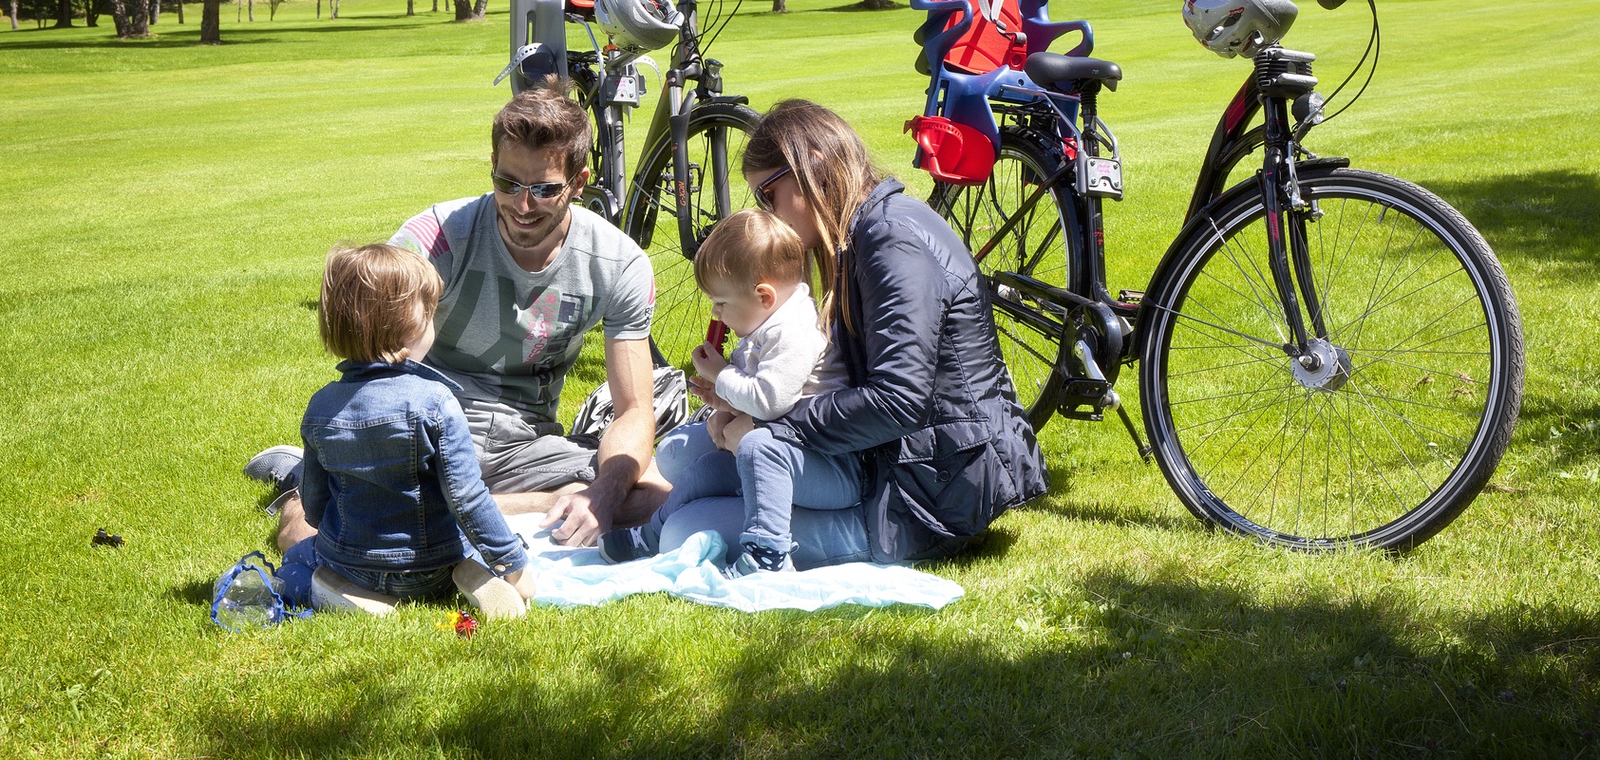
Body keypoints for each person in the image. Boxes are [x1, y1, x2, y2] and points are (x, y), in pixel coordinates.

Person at [249, 83, 673, 550]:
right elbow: (371, 362)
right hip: (421, 425)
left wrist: (602, 494)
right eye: (507, 183)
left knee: (653, 496)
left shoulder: (619, 263)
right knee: (304, 533)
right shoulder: (433, 239)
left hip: (526, 441)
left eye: (544, 189)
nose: (522, 205)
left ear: (578, 181)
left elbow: (634, 409)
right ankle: (312, 478)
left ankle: (449, 507)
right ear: (491, 168)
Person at [654, 99, 1049, 568]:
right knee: (681, 457)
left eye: (768, 194)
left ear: (814, 167)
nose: (768, 214)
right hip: (889, 459)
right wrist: (740, 403)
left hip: (931, 491)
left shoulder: (891, 241)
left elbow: (899, 400)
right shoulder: (859, 233)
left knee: (684, 530)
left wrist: (771, 426)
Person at [596, 208, 856, 574]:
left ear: (764, 295)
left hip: (831, 470)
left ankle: (767, 556)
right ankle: (650, 536)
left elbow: (769, 400)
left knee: (755, 447)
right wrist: (721, 401)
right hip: (790, 457)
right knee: (705, 469)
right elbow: (766, 400)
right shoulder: (766, 323)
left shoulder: (793, 331)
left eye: (721, 303)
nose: (716, 314)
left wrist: (722, 376)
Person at [288, 243, 536, 617]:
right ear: (410, 325)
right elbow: (467, 497)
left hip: (352, 560)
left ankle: (342, 586)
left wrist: (336, 539)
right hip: (433, 564)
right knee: (464, 543)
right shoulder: (435, 401)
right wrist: (512, 561)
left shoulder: (321, 406)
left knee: (297, 556)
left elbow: (314, 497)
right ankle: (477, 575)